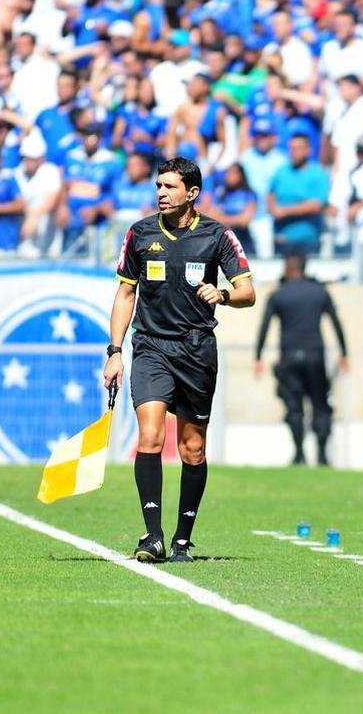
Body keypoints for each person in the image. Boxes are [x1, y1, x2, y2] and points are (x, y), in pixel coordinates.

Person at [104, 156, 256, 563]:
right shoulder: (139, 233)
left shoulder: (218, 235)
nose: (161, 193)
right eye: (158, 186)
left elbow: (248, 292)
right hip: (151, 347)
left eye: (170, 187)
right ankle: (152, 536)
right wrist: (115, 351)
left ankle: (182, 541)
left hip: (196, 351)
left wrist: (222, 294)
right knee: (150, 436)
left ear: (192, 193)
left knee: (192, 449)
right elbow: (125, 294)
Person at [253, 252, 349, 467]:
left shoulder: (278, 294)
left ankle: (299, 455)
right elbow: (336, 322)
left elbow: (264, 326)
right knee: (320, 404)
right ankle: (322, 456)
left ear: (287, 268)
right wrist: (344, 353)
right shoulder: (320, 292)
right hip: (315, 355)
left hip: (289, 357)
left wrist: (258, 357)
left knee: (294, 406)